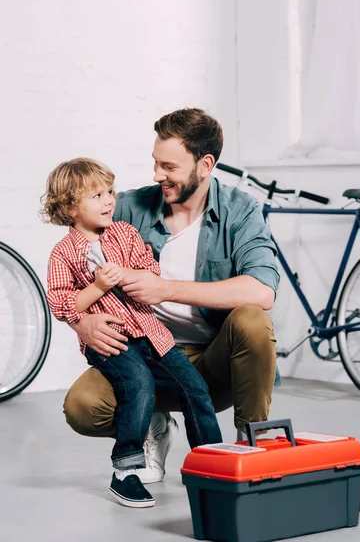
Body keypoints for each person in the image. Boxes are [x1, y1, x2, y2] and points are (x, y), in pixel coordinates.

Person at [63, 107, 280, 485]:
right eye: (155, 163)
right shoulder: (127, 208)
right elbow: (69, 271)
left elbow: (262, 290)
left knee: (253, 320)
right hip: (145, 358)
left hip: (215, 366)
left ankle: (251, 449)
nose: (157, 174)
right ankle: (151, 423)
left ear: (205, 164)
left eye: (170, 166)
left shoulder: (239, 210)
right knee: (82, 407)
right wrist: (83, 322)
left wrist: (166, 289)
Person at [41, 158, 223, 508]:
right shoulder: (63, 253)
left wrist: (127, 273)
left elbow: (149, 267)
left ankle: (210, 462)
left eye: (109, 191)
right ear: (69, 207)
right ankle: (126, 471)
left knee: (194, 386)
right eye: (96, 196)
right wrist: (97, 287)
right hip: (114, 341)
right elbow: (63, 304)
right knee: (138, 384)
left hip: (152, 332)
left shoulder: (124, 233)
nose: (109, 200)